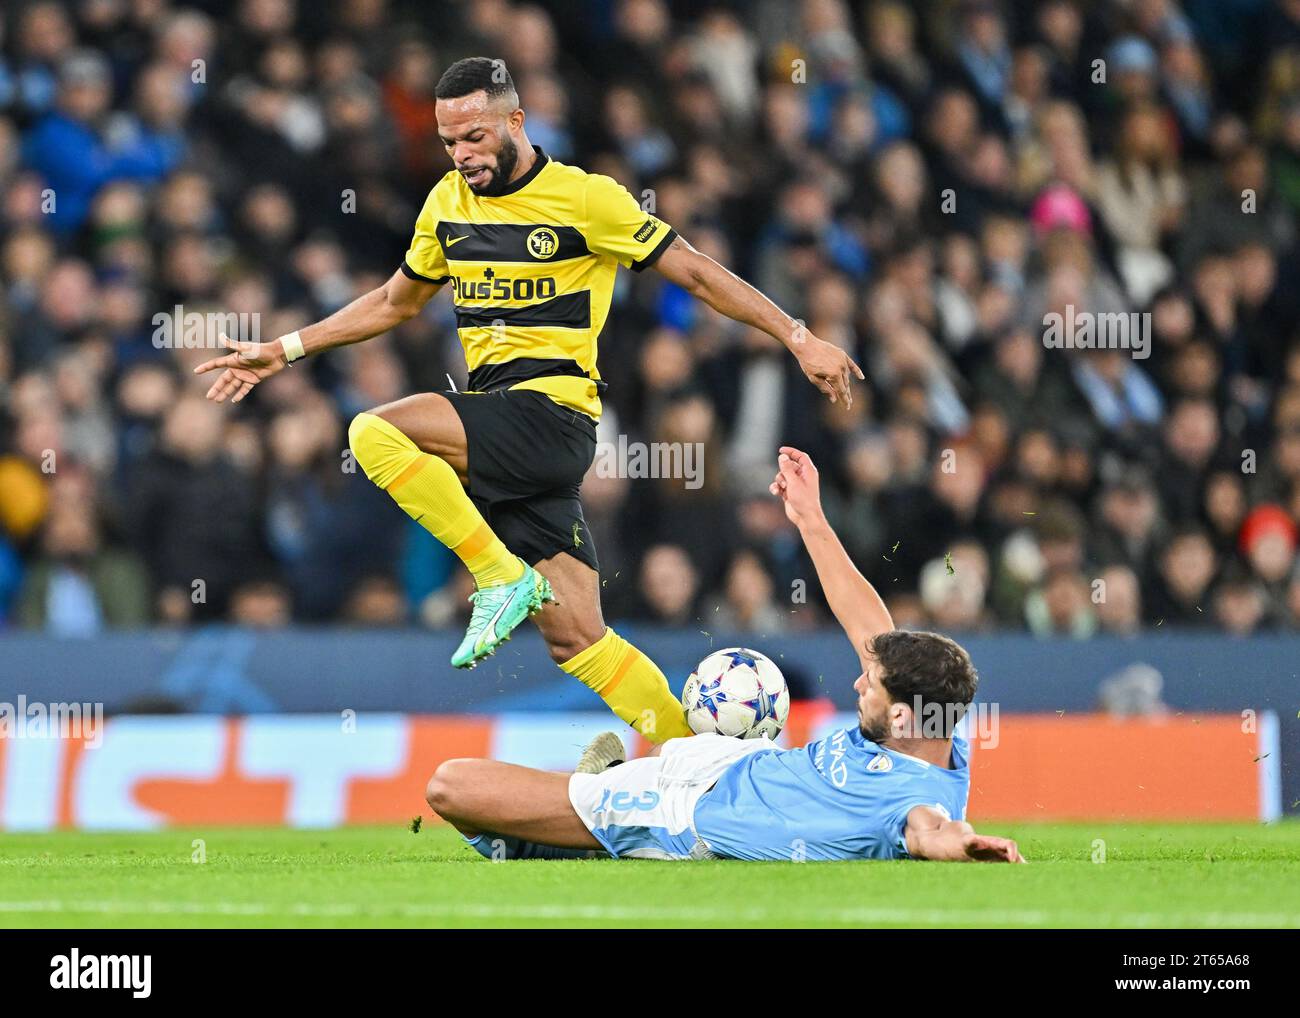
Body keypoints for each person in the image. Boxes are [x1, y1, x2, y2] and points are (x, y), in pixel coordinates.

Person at [193, 57, 861, 744]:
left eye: (476, 137)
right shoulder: (446, 204)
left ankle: (495, 578)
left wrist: (797, 334)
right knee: (577, 637)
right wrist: (287, 348)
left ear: (517, 119)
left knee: (373, 432)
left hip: (552, 417)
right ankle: (697, 760)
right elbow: (398, 301)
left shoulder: (585, 199)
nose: (462, 155)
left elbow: (693, 271)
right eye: (450, 141)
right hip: (503, 431)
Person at [423, 447, 1026, 864]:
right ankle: (582, 817)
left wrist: (965, 845)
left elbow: (933, 831)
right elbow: (867, 622)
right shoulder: (929, 731)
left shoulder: (915, 799)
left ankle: (593, 810)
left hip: (685, 810)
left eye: (871, 684)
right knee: (515, 817)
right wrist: (811, 519)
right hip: (733, 759)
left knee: (452, 787)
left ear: (902, 717)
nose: (858, 686)